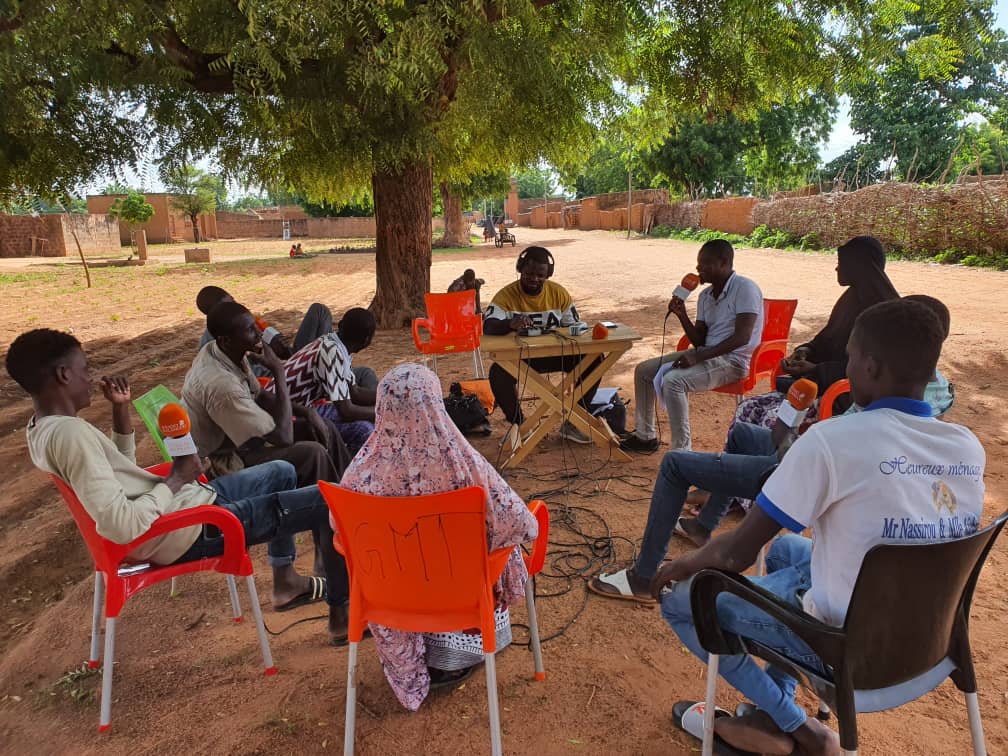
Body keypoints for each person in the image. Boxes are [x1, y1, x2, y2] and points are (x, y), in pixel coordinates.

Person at [649, 298, 983, 755]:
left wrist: (680, 564)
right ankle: (771, 714)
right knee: (787, 552)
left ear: (869, 365)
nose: (845, 365)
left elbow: (734, 555)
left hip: (850, 655)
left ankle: (801, 729)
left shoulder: (833, 440)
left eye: (849, 356)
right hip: (929, 645)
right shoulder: (967, 447)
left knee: (683, 600)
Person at [6, 329, 351, 643]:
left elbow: (118, 472)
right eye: (84, 368)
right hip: (187, 530)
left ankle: (285, 580)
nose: (90, 376)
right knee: (329, 499)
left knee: (282, 469)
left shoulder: (43, 428)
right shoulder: (70, 435)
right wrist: (176, 479)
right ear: (63, 375)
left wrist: (121, 411)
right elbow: (120, 523)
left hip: (187, 505)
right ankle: (343, 616)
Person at [676, 293, 956, 547]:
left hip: (816, 463)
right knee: (746, 435)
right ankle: (710, 517)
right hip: (832, 452)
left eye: (852, 358)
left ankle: (733, 497)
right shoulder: (944, 406)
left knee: (676, 465)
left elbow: (736, 555)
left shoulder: (846, 432)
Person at [339, 363, 538, 710]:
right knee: (506, 546)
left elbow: (338, 530)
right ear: (436, 404)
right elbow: (522, 524)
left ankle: (422, 659)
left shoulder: (357, 474)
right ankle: (455, 655)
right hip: (460, 600)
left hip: (390, 599)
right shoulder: (467, 466)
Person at [734, 235, 899, 428]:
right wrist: (806, 350)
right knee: (748, 408)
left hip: (847, 399)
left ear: (857, 266)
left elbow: (866, 371)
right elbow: (827, 338)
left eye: (841, 263)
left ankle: (780, 458)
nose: (837, 268)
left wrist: (814, 370)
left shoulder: (884, 313)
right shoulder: (851, 298)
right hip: (821, 385)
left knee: (764, 419)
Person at [182, 300, 351, 486]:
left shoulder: (224, 351)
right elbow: (283, 438)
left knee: (323, 426)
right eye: (250, 329)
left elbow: (260, 395)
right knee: (312, 453)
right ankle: (330, 506)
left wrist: (307, 412)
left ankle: (350, 489)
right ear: (226, 340)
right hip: (224, 459)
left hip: (240, 437)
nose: (259, 333)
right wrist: (278, 370)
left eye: (255, 325)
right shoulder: (222, 386)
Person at [622, 239, 764, 453]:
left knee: (673, 381)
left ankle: (682, 452)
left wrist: (699, 356)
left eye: (705, 264)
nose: (698, 269)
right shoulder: (705, 296)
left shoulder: (745, 288)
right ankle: (645, 436)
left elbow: (742, 338)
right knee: (644, 371)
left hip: (733, 360)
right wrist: (682, 314)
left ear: (724, 263)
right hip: (707, 354)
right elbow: (699, 340)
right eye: (698, 264)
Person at [483, 245, 601, 448]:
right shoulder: (506, 296)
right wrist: (509, 324)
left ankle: (574, 422)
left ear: (548, 274)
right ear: (520, 269)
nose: (534, 279)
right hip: (522, 358)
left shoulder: (558, 293)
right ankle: (521, 426)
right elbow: (488, 325)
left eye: (540, 275)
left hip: (557, 354)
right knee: (498, 373)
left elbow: (574, 326)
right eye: (529, 273)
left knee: (594, 361)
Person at [194, 287, 378, 389]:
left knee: (319, 310)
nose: (236, 307)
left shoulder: (238, 324)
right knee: (365, 374)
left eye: (233, 301)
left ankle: (332, 360)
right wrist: (267, 353)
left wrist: (271, 343)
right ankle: (330, 362)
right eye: (228, 305)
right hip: (282, 375)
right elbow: (248, 377)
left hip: (288, 363)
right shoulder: (216, 343)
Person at [268, 308, 378, 456]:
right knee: (364, 430)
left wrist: (389, 397)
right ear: (367, 341)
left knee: (368, 415)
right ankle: (346, 472)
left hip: (290, 407)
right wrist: (381, 412)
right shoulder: (332, 353)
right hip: (284, 415)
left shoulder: (333, 342)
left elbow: (355, 392)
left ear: (340, 325)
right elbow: (347, 411)